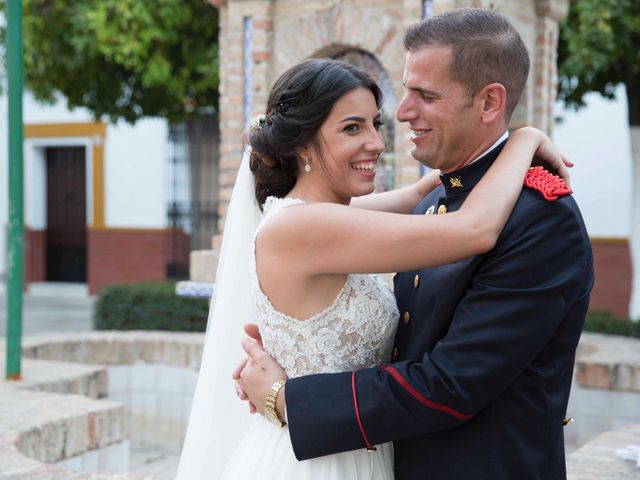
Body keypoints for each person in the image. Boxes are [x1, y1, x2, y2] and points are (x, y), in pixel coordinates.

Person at [235, 8, 594, 480]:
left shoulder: (539, 218)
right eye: (352, 126)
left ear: (489, 103)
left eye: (424, 95)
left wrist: (288, 398)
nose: (402, 115)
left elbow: (449, 382)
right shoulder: (439, 203)